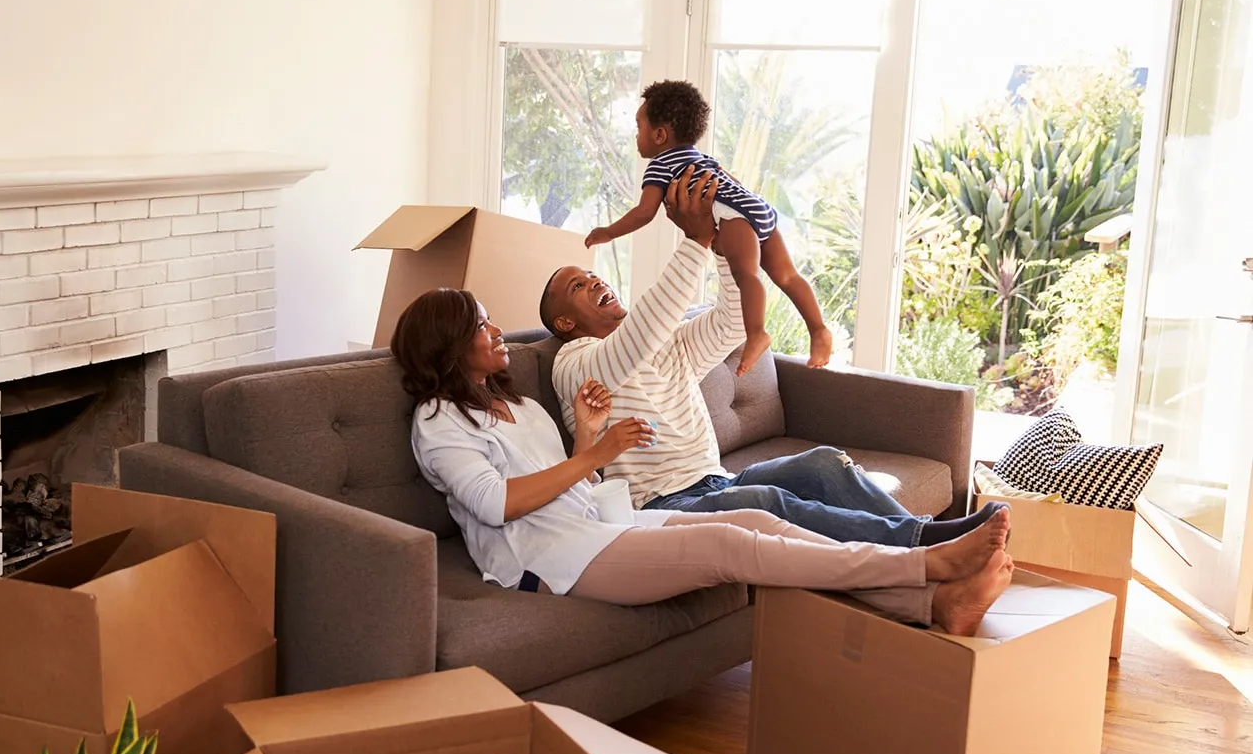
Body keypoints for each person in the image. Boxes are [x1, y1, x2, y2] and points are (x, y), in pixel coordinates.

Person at [392, 286, 1014, 636]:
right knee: (726, 546)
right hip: (548, 560)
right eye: (481, 323)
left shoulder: (519, 406)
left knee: (762, 525)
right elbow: (499, 504)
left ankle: (933, 604)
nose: (496, 329)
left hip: (596, 528)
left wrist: (586, 438)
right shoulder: (438, 422)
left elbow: (572, 487)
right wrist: (599, 453)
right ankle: (922, 562)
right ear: (448, 346)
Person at [546, 165, 1005, 548]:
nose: (596, 282)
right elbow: (634, 344)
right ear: (565, 322)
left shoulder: (667, 342)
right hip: (660, 505)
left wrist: (725, 246)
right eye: (578, 287)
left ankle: (933, 540)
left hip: (715, 480)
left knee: (825, 462)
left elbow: (730, 322)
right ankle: (926, 545)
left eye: (593, 275)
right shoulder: (575, 363)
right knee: (767, 502)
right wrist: (694, 241)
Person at [585, 80, 830, 373]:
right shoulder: (703, 158)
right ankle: (818, 330)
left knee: (746, 275)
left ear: (660, 135)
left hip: (732, 214)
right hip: (756, 205)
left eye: (639, 127)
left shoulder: (660, 166)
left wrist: (608, 232)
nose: (636, 136)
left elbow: (644, 212)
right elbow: (733, 182)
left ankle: (756, 334)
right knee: (788, 276)